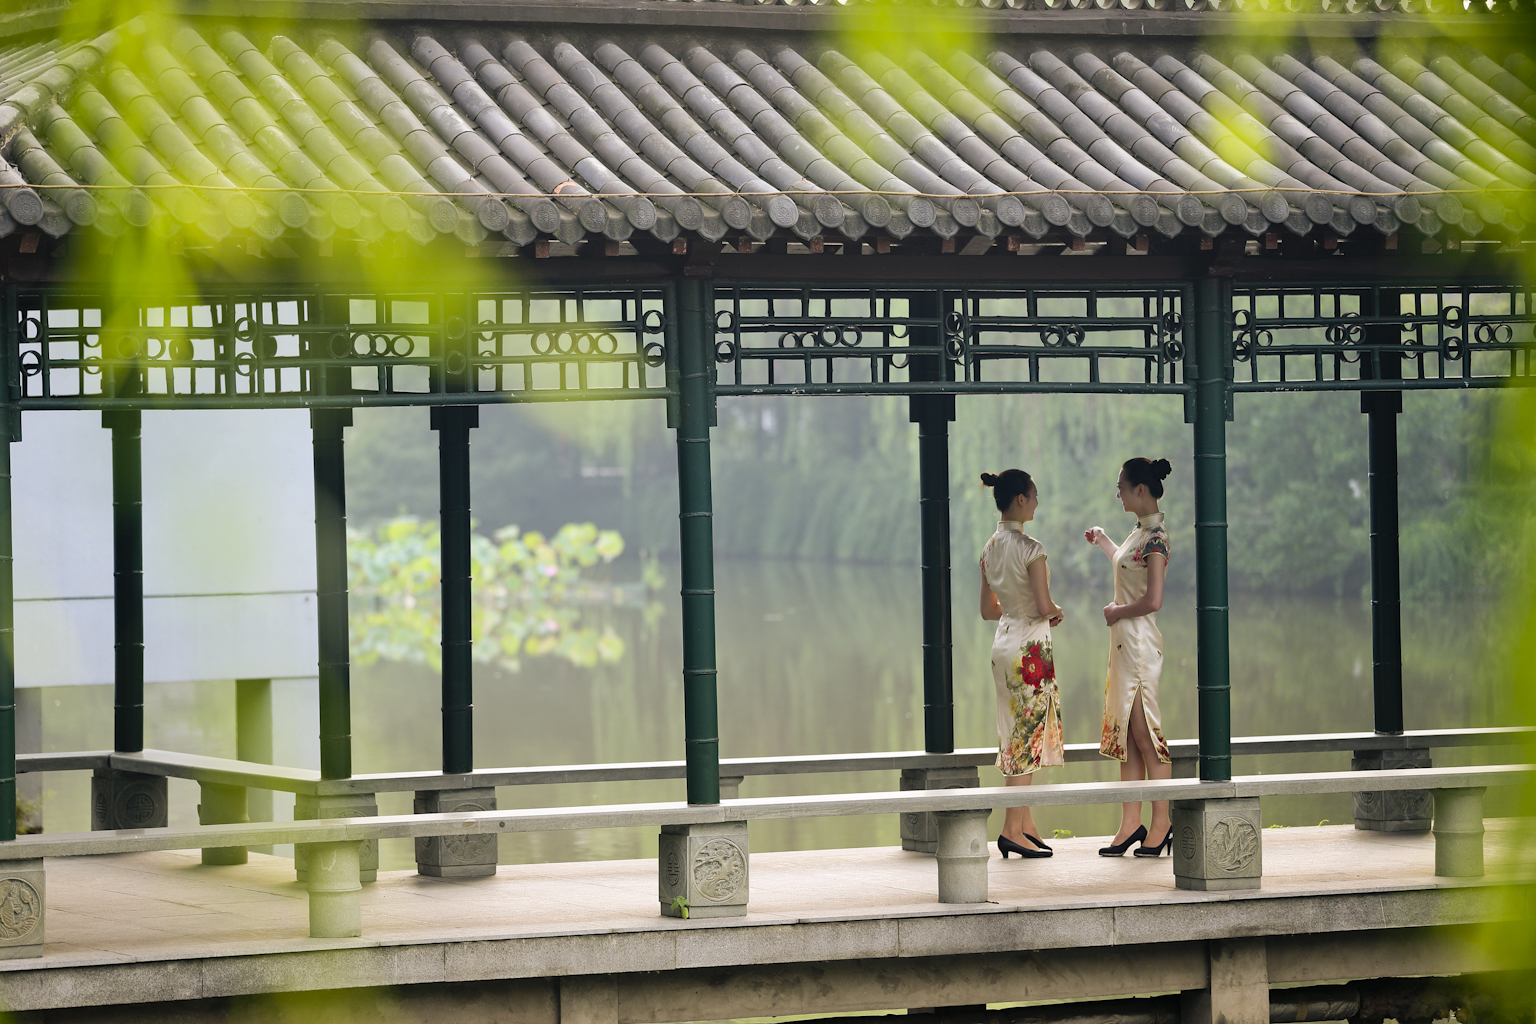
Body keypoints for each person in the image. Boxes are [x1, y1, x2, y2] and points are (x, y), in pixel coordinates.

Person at [1084, 457, 1174, 858]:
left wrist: (1117, 611)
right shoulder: (1139, 533)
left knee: (1146, 734)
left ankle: (1162, 822)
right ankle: (1130, 823)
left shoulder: (1156, 538)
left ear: (1140, 489)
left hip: (1138, 645)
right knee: (1128, 738)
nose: (1117, 493)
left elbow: (1152, 600)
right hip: (1124, 645)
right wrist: (1104, 540)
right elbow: (1125, 567)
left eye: (1121, 486)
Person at [979, 469, 1065, 860]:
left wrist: (1016, 608)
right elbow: (1044, 606)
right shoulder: (1032, 548)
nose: (1036, 502)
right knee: (1027, 737)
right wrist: (1055, 610)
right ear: (1020, 500)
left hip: (1002, 647)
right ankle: (1011, 830)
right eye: (1034, 495)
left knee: (1014, 734)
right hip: (1029, 651)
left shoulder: (989, 548)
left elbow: (987, 610)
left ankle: (1026, 827)